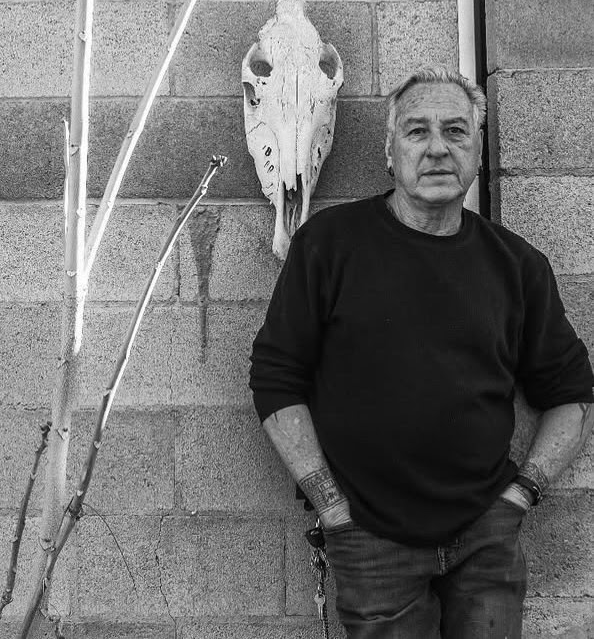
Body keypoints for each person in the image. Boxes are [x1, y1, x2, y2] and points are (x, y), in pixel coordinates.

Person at [248, 69, 594, 638]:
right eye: (417, 131)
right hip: (370, 540)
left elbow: (571, 394)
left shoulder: (517, 265)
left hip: (486, 538)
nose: (437, 148)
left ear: (476, 150)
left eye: (456, 131)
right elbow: (275, 377)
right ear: (391, 152)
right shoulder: (330, 244)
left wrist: (520, 495)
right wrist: (333, 509)